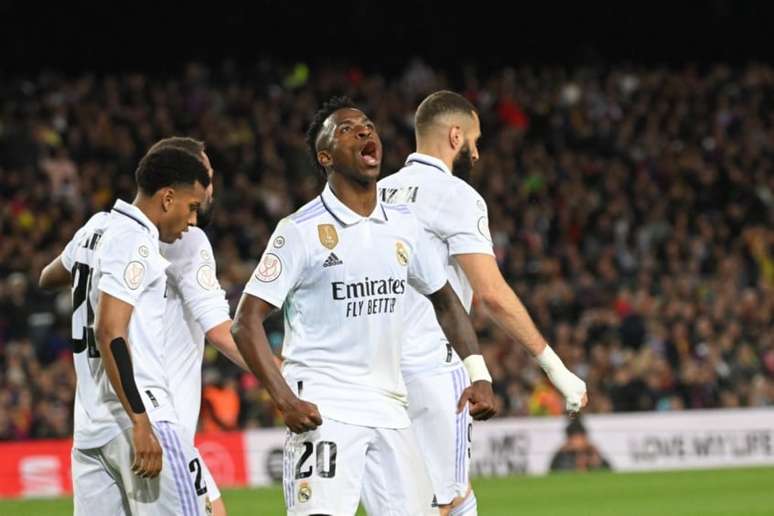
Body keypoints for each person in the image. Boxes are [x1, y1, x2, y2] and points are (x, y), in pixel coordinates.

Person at [231, 96, 496, 516]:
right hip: (325, 408)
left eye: (367, 124)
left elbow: (445, 300)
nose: (363, 130)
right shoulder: (299, 231)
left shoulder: (404, 224)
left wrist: (477, 373)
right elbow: (245, 322)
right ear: (326, 157)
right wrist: (283, 399)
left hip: (391, 407)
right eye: (346, 129)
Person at [378, 90, 588, 515]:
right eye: (475, 138)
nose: (476, 150)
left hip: (377, 367)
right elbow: (491, 293)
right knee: (444, 500)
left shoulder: (373, 194)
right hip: (432, 369)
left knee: (429, 497)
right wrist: (555, 367)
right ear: (456, 135)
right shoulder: (456, 196)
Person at [39, 144, 211, 515]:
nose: (193, 220)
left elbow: (47, 276)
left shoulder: (97, 228)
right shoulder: (136, 241)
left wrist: (87, 266)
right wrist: (140, 421)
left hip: (89, 431)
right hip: (140, 420)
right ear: (167, 198)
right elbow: (110, 332)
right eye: (192, 206)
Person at [154, 137, 249, 516]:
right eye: (205, 177)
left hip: (122, 422)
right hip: (164, 426)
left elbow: (52, 275)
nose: (211, 187)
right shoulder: (188, 240)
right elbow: (220, 331)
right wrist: (282, 373)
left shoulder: (106, 232)